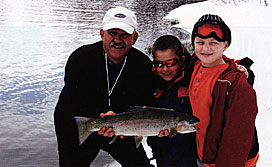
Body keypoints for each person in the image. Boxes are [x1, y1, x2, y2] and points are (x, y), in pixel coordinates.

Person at [54, 6, 155, 167]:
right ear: (102, 34)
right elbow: (74, 101)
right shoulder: (80, 59)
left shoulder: (142, 65)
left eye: (124, 35)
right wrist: (101, 116)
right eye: (112, 33)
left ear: (134, 38)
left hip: (120, 125)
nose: (117, 40)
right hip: (75, 121)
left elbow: (141, 103)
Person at [189, 14, 259, 166]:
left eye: (213, 43)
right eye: (200, 42)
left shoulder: (236, 85)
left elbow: (237, 138)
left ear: (225, 45)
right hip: (204, 156)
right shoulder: (194, 65)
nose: (206, 48)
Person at [146, 35, 198, 167]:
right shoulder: (149, 80)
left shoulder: (196, 74)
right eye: (159, 64)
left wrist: (246, 72)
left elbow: (224, 70)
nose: (165, 69)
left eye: (170, 63)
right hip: (163, 153)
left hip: (193, 154)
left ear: (182, 60)